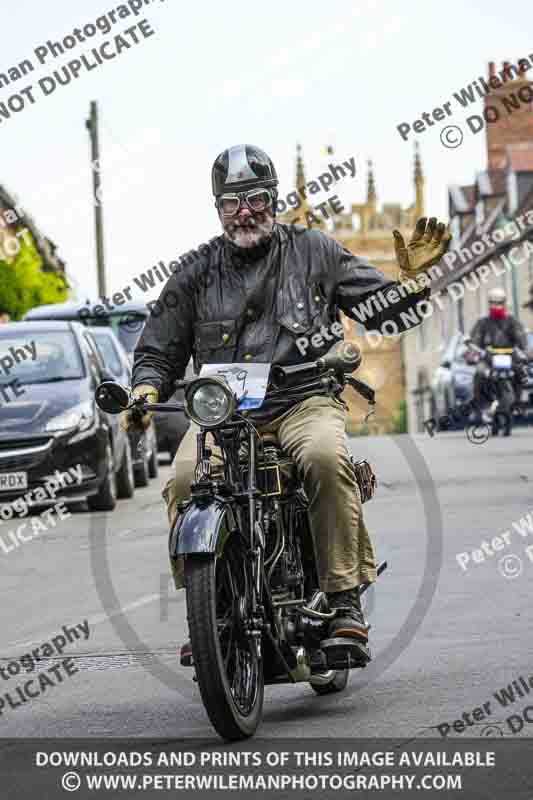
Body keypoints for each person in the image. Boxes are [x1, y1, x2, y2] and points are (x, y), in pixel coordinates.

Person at [122, 144, 451, 660]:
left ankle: (343, 602)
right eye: (232, 203)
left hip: (303, 401)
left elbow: (385, 315)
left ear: (273, 199)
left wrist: (414, 284)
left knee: (324, 458)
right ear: (217, 210)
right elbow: (158, 349)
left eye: (255, 198)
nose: (245, 211)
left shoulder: (315, 251)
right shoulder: (195, 272)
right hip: (225, 414)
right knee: (185, 479)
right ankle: (210, 610)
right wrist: (143, 392)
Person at [469, 287, 527, 414]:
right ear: (489, 304)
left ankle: (517, 401)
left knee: (520, 372)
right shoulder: (483, 323)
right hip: (488, 358)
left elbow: (521, 338)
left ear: (504, 303)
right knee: (479, 373)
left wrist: (525, 351)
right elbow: (475, 340)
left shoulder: (512, 321)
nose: (496, 306)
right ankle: (481, 404)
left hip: (509, 357)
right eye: (493, 303)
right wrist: (473, 352)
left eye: (499, 302)